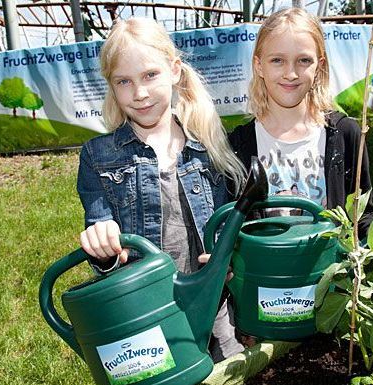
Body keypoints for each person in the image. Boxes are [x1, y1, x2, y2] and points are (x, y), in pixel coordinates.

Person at [76, 17, 247, 362]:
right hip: (145, 316)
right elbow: (102, 247)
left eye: (150, 75)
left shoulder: (211, 148)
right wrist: (103, 249)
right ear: (111, 85)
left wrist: (231, 259)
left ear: (174, 70)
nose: (139, 93)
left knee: (229, 381)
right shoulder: (97, 157)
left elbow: (231, 230)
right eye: (124, 81)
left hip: (214, 310)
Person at [229, 7, 373, 235]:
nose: (291, 73)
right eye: (277, 60)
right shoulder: (237, 145)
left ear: (319, 66)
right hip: (265, 270)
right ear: (259, 66)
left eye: (303, 60)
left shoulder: (346, 135)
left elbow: (362, 215)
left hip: (331, 269)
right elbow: (231, 224)